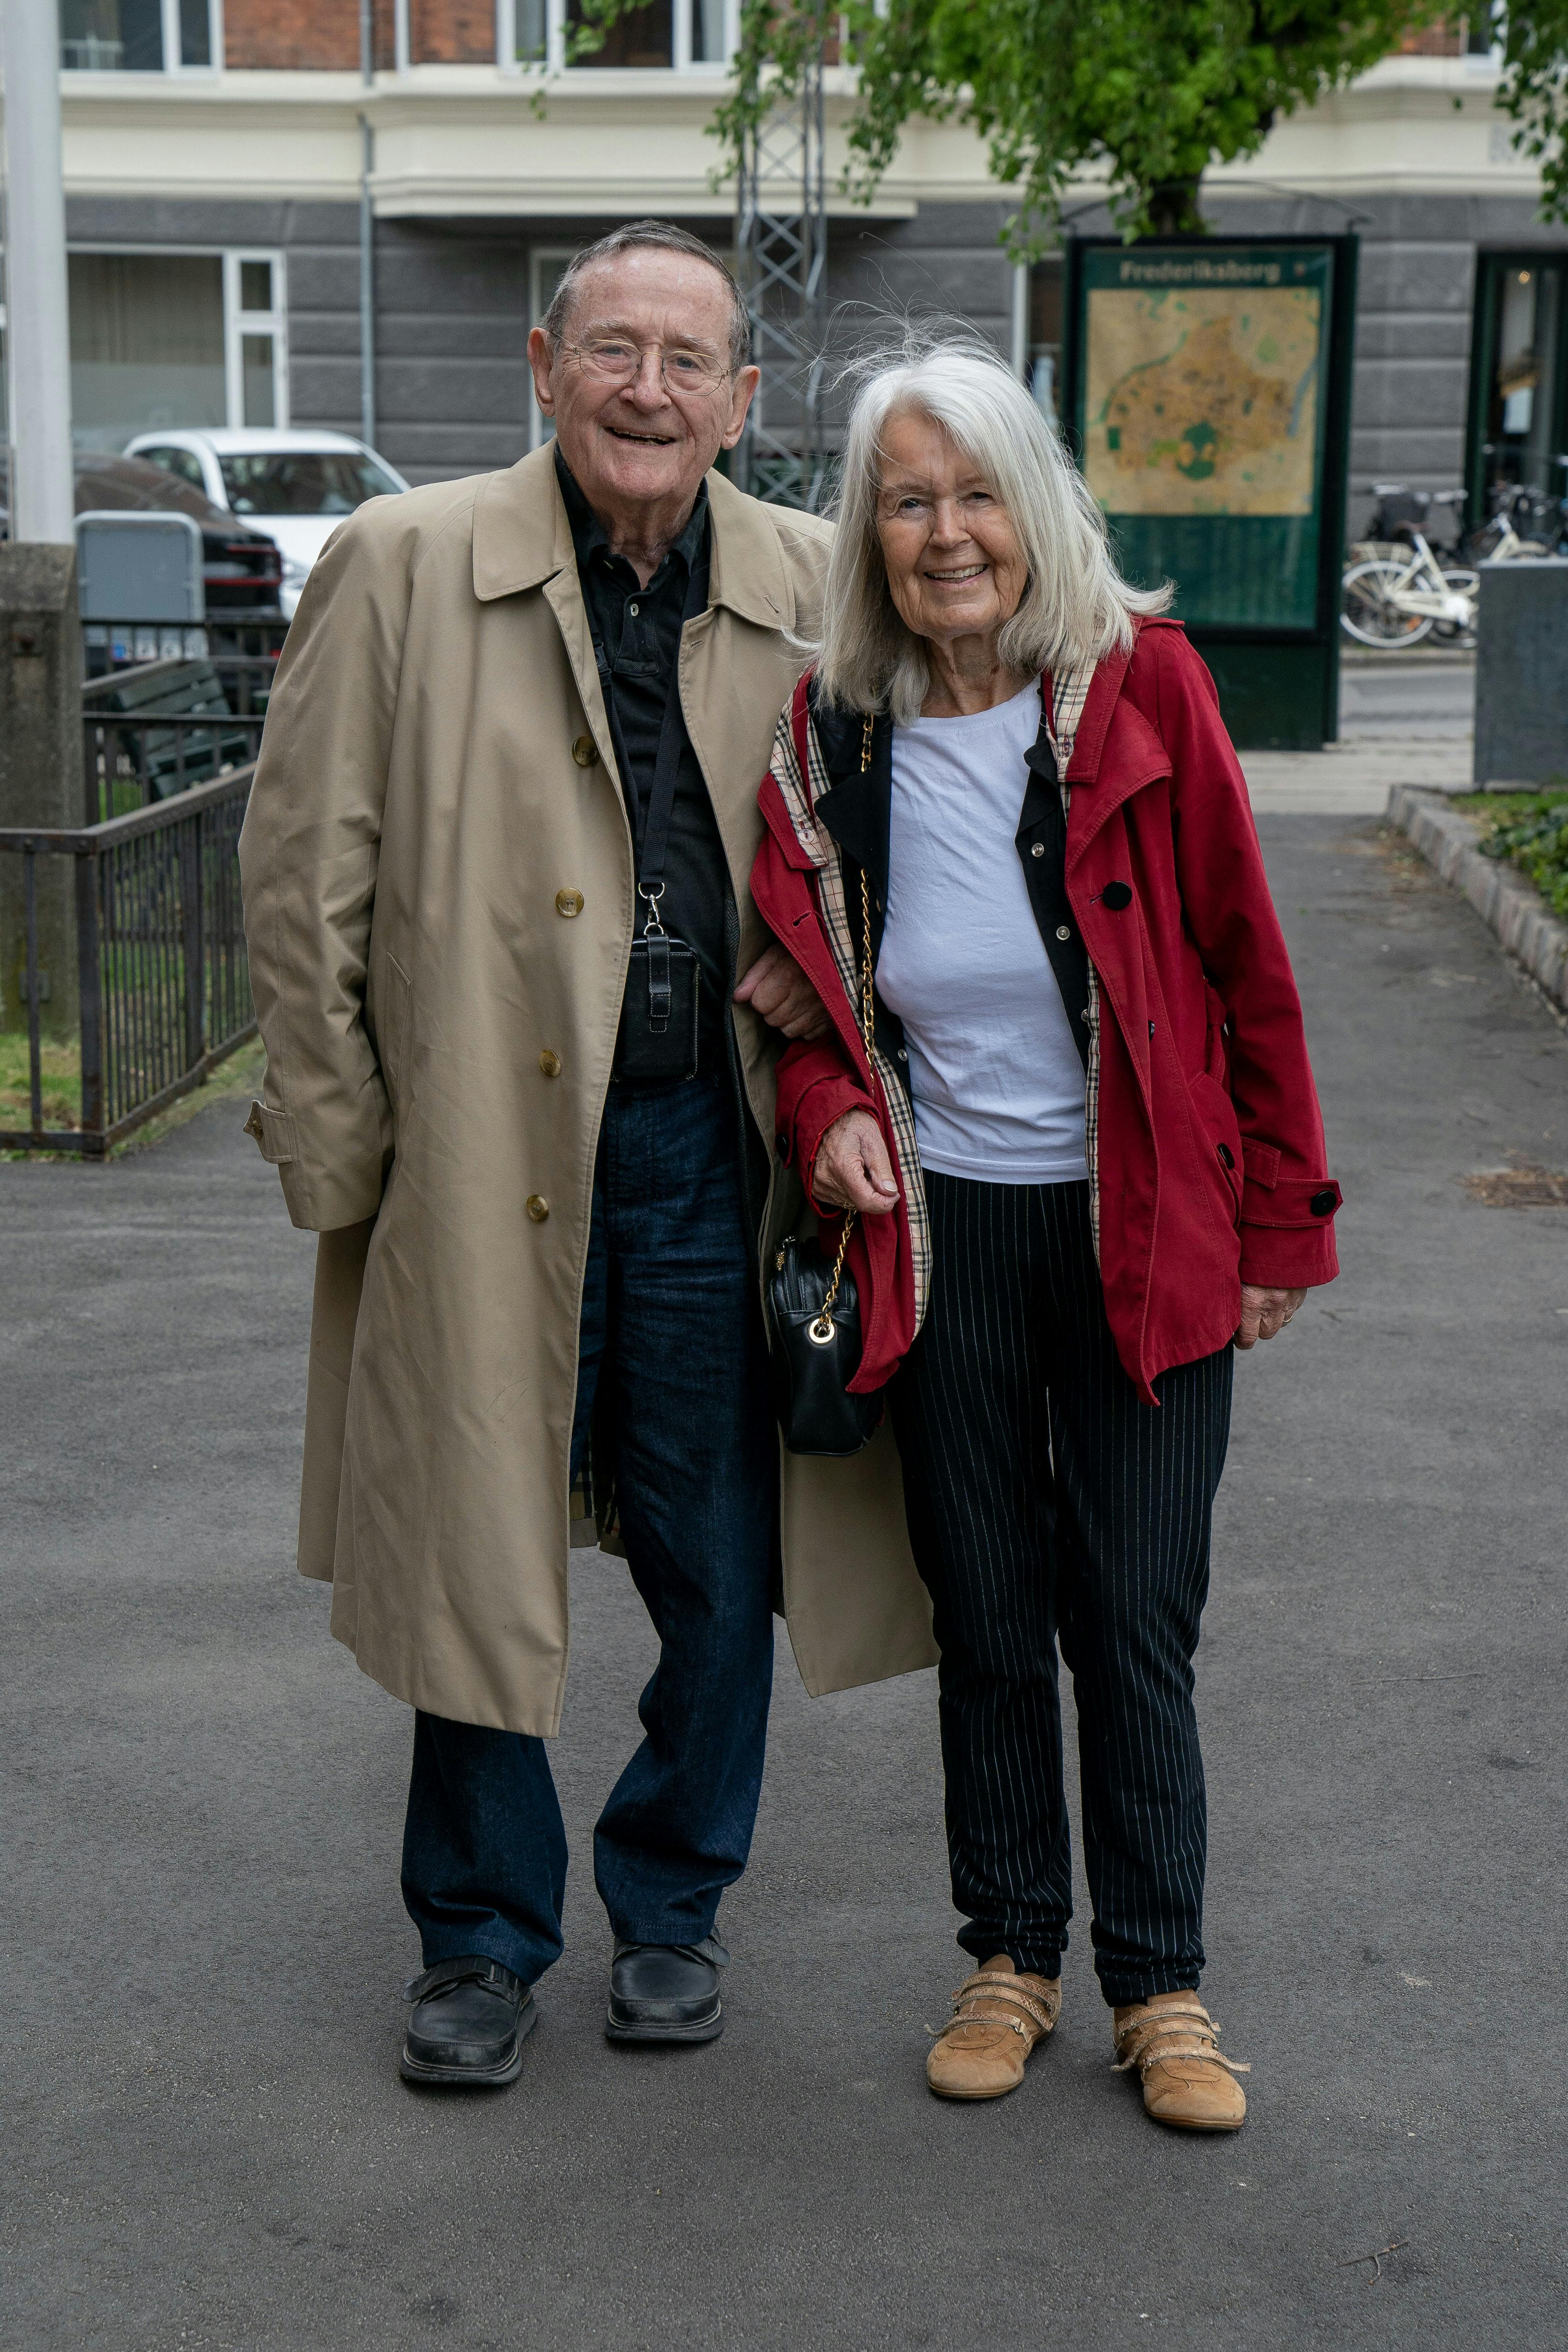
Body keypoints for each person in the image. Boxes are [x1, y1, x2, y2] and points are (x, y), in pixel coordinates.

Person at [238, 223, 935, 2092]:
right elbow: (304, 875)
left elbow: (908, 841)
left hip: (715, 1153)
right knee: (470, 1545)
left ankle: (675, 1901)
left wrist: (848, 1016)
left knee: (721, 1562)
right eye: (611, 349)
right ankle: (475, 1939)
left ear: (741, 397)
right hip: (472, 1154)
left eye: (685, 357)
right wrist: (337, 1154)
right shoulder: (401, 563)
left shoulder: (811, 583)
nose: (648, 387)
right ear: (540, 368)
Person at [750, 337, 1342, 2131]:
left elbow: (1247, 969)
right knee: (990, 1610)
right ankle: (1006, 1951)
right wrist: (828, 1115)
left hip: (1141, 1235)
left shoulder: (1140, 684)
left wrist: (1276, 1232)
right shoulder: (831, 731)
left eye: (975, 492)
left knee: (1130, 1615)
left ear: (1034, 504)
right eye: (907, 501)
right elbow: (817, 1017)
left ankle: (1157, 1986)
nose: (946, 535)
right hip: (948, 1241)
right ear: (868, 533)